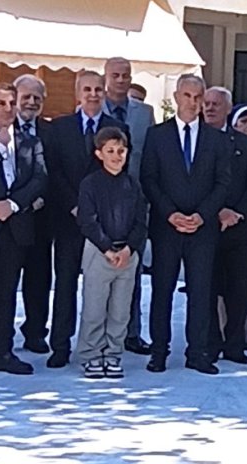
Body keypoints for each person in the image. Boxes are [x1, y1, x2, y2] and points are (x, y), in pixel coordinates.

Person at [141, 74, 231, 375]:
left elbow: (223, 183)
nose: (193, 103)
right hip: (167, 226)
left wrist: (202, 215)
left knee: (201, 291)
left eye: (198, 97)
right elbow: (149, 179)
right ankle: (159, 351)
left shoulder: (217, 139)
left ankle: (198, 352)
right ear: (177, 97)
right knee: (162, 290)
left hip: (202, 228)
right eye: (188, 96)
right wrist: (170, 213)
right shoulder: (157, 135)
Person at [45, 71, 130, 368]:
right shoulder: (59, 128)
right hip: (69, 219)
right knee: (65, 283)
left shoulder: (117, 128)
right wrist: (75, 205)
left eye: (97, 89)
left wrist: (95, 211)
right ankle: (60, 345)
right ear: (77, 93)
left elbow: (119, 172)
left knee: (102, 290)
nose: (93, 95)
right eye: (87, 90)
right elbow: (53, 171)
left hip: (104, 224)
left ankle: (101, 347)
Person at [76, 127, 146, 378]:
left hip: (127, 254)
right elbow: (87, 221)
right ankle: (92, 354)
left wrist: (129, 249)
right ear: (99, 154)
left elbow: (141, 221)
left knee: (120, 310)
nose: (117, 156)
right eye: (110, 151)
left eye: (121, 151)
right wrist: (107, 248)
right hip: (99, 253)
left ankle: (113, 353)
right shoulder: (90, 184)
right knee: (95, 308)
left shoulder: (132, 184)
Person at [0, 82, 47, 375]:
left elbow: (40, 178)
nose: (9, 109)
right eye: (1, 103)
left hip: (15, 229)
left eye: (12, 103)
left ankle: (3, 351)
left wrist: (12, 204)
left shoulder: (29, 142)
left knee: (6, 292)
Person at [202, 88, 247, 363]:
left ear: (228, 109)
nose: (210, 108)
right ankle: (210, 342)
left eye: (216, 104)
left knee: (239, 290)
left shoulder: (245, 144)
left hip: (238, 228)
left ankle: (235, 344)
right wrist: (215, 211)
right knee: (207, 289)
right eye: (206, 104)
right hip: (206, 226)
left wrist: (237, 213)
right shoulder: (197, 140)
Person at [102, 56, 156, 356]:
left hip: (135, 202)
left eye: (126, 75)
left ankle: (131, 333)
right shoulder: (95, 109)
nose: (121, 80)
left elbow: (151, 157)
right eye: (116, 75)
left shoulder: (144, 113)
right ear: (106, 77)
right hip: (101, 203)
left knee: (132, 272)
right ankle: (99, 334)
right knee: (101, 274)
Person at [13, 74, 53, 355]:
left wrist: (41, 199)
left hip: (41, 219)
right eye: (25, 96)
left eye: (36, 97)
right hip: (7, 220)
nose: (31, 102)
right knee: (2, 280)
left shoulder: (52, 131)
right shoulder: (1, 127)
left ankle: (36, 332)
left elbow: (56, 172)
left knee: (39, 279)